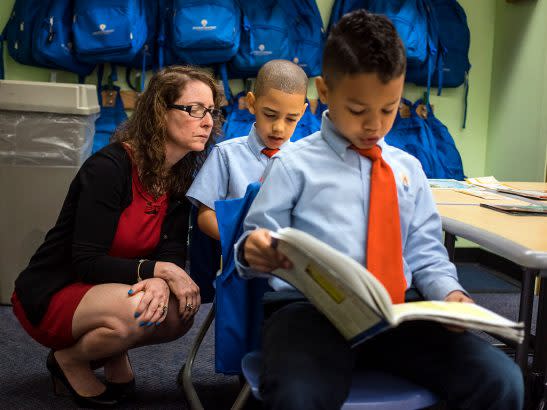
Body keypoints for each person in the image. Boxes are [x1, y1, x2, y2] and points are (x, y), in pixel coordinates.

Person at [235, 10, 524, 410]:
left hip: (398, 314)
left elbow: (426, 254)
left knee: (501, 380)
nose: (375, 125)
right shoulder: (293, 164)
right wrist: (255, 249)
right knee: (297, 396)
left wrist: (452, 295)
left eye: (388, 109)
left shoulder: (408, 168)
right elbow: (254, 240)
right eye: (358, 110)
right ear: (324, 91)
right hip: (311, 313)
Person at [11, 65, 223, 407]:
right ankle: (68, 360)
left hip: (111, 288)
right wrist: (156, 272)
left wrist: (160, 274)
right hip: (58, 289)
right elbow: (86, 261)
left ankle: (110, 349)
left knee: (181, 309)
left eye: (211, 111)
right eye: (194, 109)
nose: (208, 121)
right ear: (160, 112)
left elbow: (169, 247)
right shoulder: (109, 168)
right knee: (140, 308)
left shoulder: (179, 173)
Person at [186, 59, 308, 240]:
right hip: (236, 258)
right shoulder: (225, 155)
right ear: (251, 103)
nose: (279, 128)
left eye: (291, 119)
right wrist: (243, 243)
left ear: (302, 113)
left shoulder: (304, 161)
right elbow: (205, 217)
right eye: (270, 115)